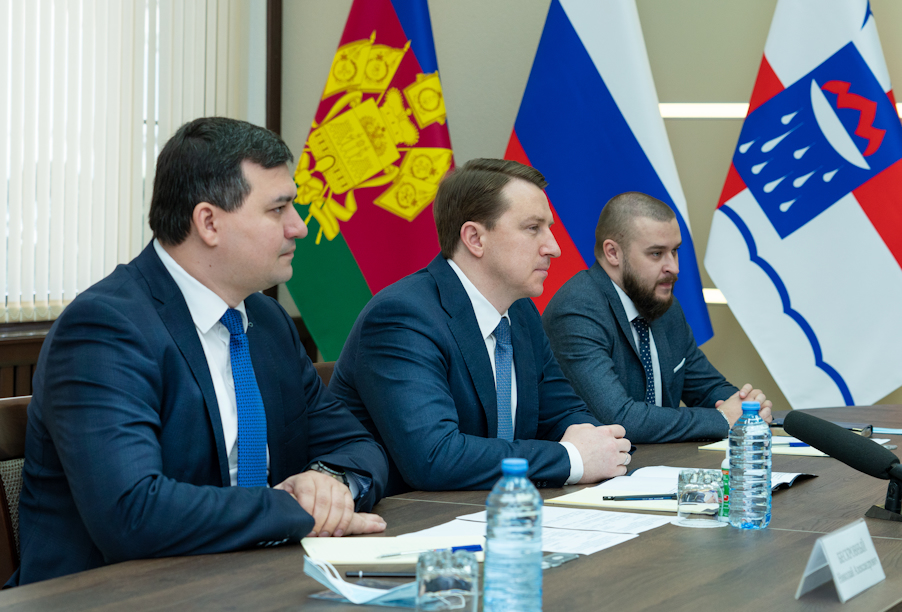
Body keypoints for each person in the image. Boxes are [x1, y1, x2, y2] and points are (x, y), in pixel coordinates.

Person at [12, 118, 389, 586]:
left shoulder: (267, 322)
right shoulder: (104, 329)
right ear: (209, 222)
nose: (300, 227)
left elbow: (358, 447)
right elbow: (132, 513)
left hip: (250, 581)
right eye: (278, 209)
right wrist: (292, 508)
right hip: (111, 595)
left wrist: (329, 484)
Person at [330, 158, 631, 496]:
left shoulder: (520, 312)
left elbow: (564, 414)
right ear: (475, 238)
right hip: (409, 517)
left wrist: (600, 445)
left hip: (496, 507)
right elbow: (435, 457)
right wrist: (571, 459)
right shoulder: (402, 317)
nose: (554, 248)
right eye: (533, 228)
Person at [542, 191, 772, 444]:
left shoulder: (664, 306)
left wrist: (748, 408)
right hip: (605, 467)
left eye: (675, 251)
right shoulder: (577, 310)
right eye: (656, 254)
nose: (674, 267)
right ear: (613, 253)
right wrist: (722, 419)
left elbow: (707, 387)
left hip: (664, 462)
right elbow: (619, 419)